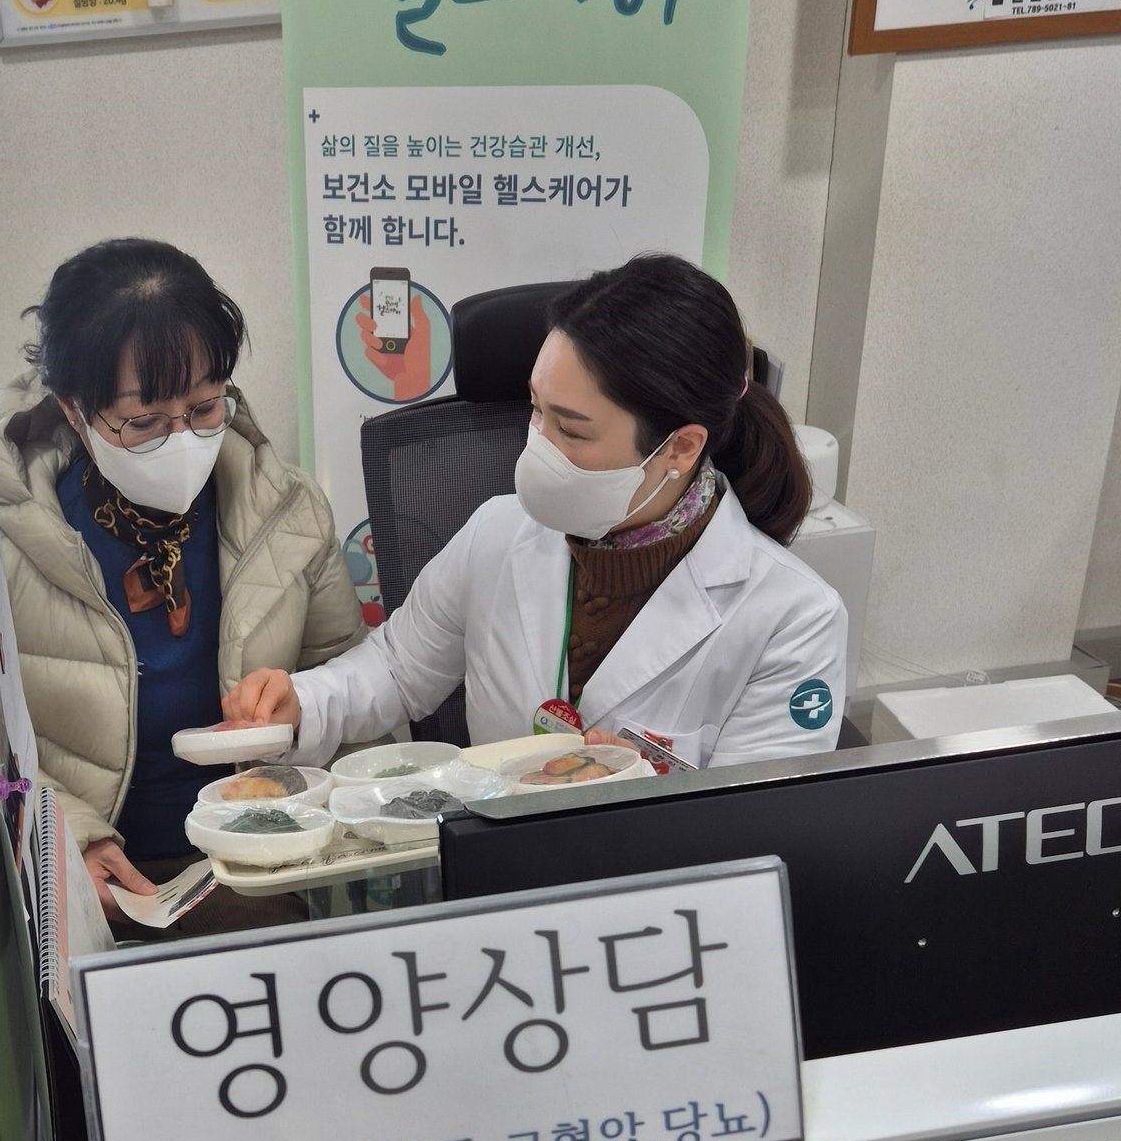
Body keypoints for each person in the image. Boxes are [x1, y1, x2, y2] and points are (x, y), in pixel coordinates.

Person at [224, 255, 847, 772]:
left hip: (648, 884)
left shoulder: (792, 618)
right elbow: (395, 670)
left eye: (571, 430)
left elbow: (755, 831)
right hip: (490, 865)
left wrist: (645, 803)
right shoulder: (498, 534)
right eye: (535, 409)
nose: (537, 446)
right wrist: (300, 704)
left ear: (680, 448)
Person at [0, 238, 363, 920]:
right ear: (75, 411)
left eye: (205, 408)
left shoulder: (288, 513)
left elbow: (356, 687)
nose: (182, 439)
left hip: (267, 861)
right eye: (144, 421)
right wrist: (64, 836)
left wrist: (309, 727)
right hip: (85, 882)